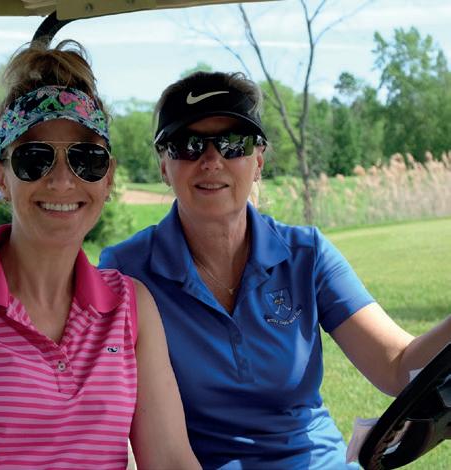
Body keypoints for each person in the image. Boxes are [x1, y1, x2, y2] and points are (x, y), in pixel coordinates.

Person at [99, 71, 451, 469]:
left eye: (234, 144)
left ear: (259, 160)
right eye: (188, 145)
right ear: (164, 165)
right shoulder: (126, 271)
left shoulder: (307, 254)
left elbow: (397, 365)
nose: (211, 160)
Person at [0, 40, 199, 470]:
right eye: (34, 158)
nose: (62, 181)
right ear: (2, 177)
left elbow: (172, 459)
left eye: (87, 159)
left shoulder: (131, 306)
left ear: (107, 178)